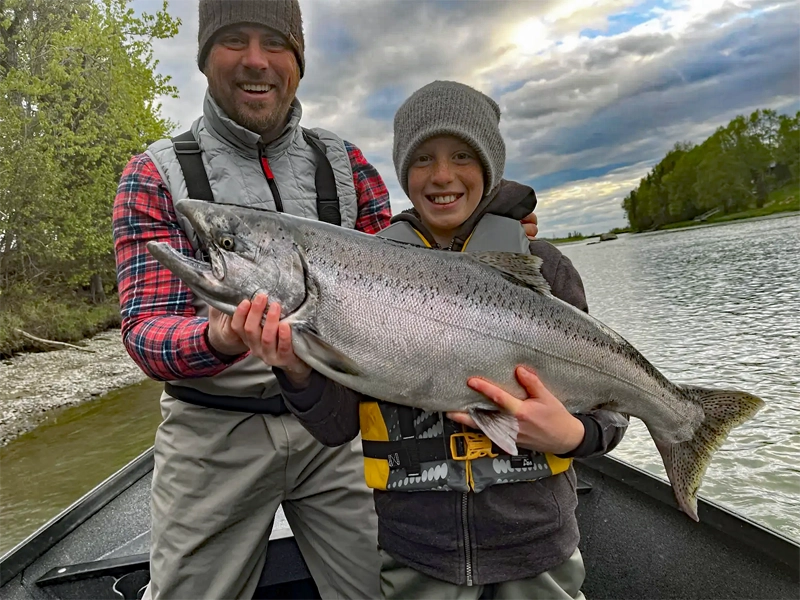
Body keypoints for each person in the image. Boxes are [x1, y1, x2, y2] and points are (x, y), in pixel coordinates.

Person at [113, 2, 540, 597]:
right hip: (214, 434)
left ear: (298, 61)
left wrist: (487, 217)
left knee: (376, 590)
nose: (256, 61)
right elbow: (143, 331)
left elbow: (411, 274)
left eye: (275, 43)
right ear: (205, 58)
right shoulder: (153, 175)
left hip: (340, 426)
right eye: (235, 40)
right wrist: (217, 338)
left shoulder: (346, 164)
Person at [256, 81, 629, 598]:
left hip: (539, 545)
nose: (442, 175)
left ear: (490, 166)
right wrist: (296, 369)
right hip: (419, 552)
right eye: (423, 158)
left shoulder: (547, 267)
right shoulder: (364, 276)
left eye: (462, 156)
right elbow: (338, 426)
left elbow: (613, 411)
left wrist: (571, 436)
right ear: (404, 172)